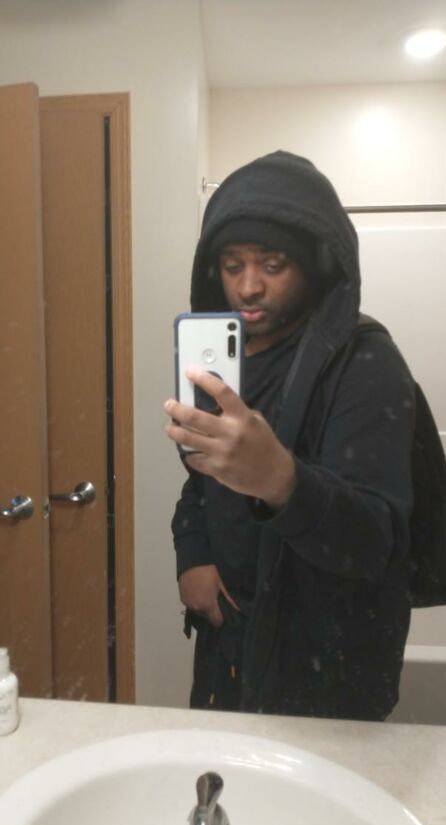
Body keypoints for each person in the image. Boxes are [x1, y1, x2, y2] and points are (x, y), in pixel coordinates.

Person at [164, 151, 415, 721]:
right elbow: (201, 482)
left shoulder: (366, 364)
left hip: (326, 666)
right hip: (231, 645)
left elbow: (376, 540)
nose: (248, 286)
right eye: (232, 266)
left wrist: (281, 480)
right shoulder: (226, 366)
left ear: (315, 265)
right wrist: (192, 554)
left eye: (272, 265)